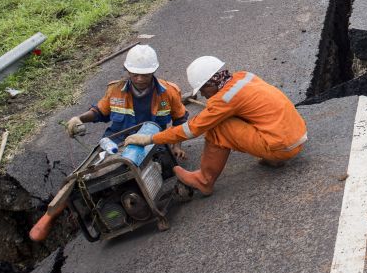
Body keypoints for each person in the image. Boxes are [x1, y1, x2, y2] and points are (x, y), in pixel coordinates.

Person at [125, 56, 308, 196]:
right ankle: (274, 158)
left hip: (282, 146)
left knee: (217, 127)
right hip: (296, 135)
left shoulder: (224, 99)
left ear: (212, 83)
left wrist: (150, 138)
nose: (204, 95)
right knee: (239, 117)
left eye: (203, 89)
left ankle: (204, 180)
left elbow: (191, 129)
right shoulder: (244, 77)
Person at [65, 45, 188, 164]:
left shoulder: (169, 92)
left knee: (163, 166)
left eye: (145, 75)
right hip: (117, 141)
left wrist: (176, 146)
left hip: (151, 141)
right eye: (135, 74)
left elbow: (180, 120)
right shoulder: (115, 90)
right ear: (128, 71)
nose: (139, 79)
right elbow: (99, 112)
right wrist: (79, 118)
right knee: (104, 172)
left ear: (153, 71)